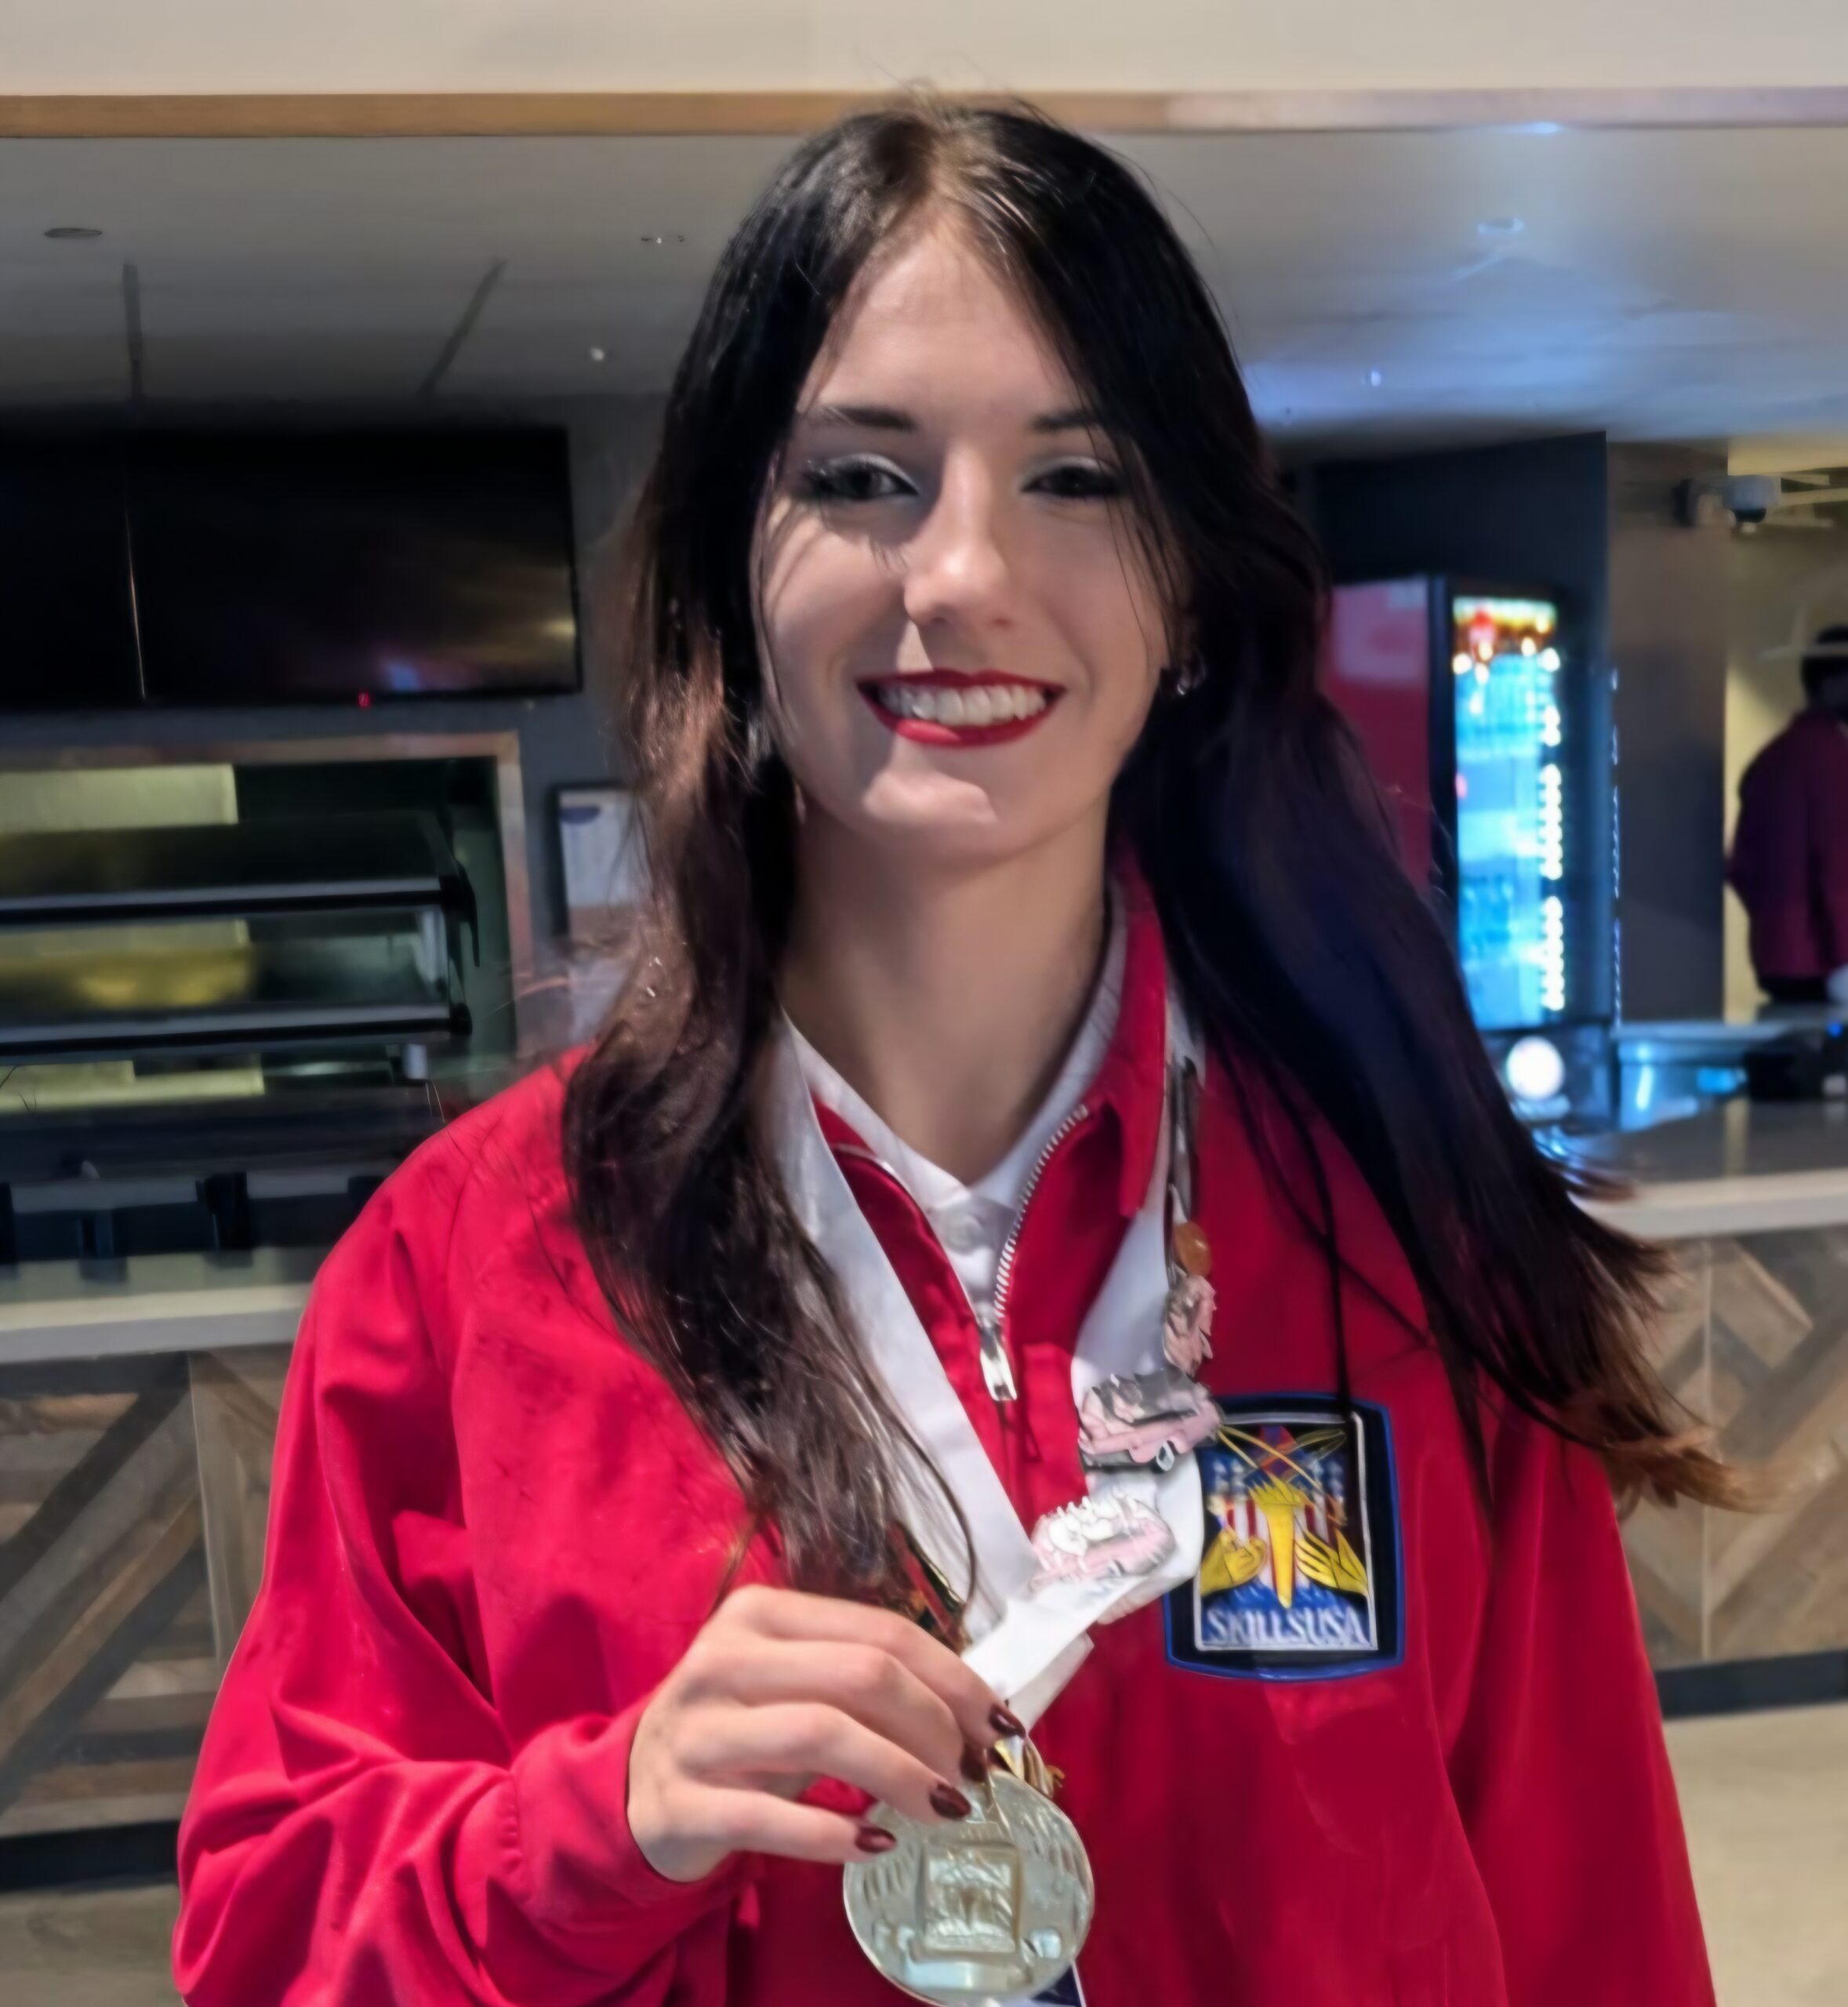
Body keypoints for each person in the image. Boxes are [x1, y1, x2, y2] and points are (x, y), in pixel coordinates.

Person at [173, 103, 1726, 2007]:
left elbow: (1591, 1928)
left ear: (1185, 595)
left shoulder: (1400, 1228)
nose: (962, 572)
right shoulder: (464, 1268)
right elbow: (267, 1950)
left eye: (1075, 476)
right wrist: (604, 1818)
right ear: (733, 587)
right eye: (860, 476)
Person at [1729, 624, 1848, 1007]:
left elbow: (1741, 867)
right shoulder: (1832, 758)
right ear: (1833, 682)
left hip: (1776, 956)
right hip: (1825, 960)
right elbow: (1837, 865)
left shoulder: (1771, 759)